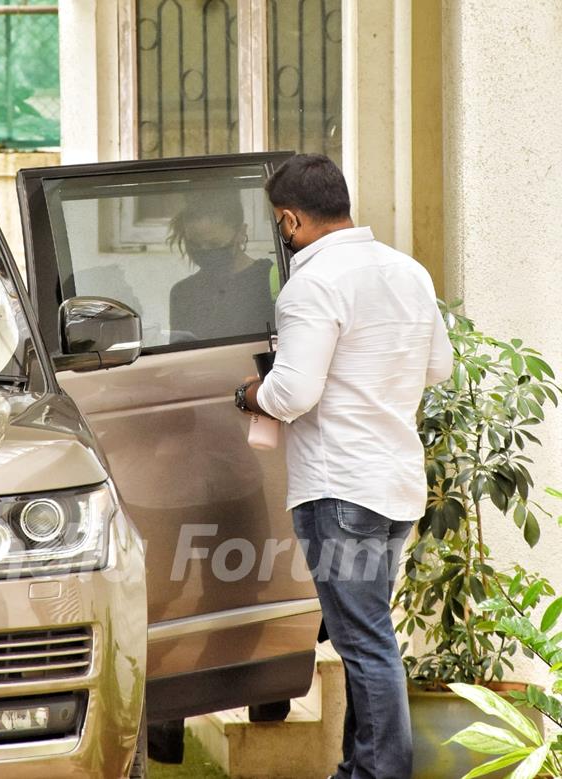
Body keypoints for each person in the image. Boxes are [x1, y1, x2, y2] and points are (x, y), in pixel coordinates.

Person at [233, 154, 453, 779]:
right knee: (368, 637)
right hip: (395, 485)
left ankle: (380, 772)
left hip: (339, 489)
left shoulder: (312, 284)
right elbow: (439, 368)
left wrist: (251, 393)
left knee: (364, 643)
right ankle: (359, 767)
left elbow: (291, 395)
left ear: (290, 219)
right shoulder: (407, 271)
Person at [168, 190, 276, 341]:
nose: (204, 250)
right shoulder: (182, 293)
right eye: (195, 244)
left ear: (241, 232)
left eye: (214, 243)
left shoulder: (271, 280)